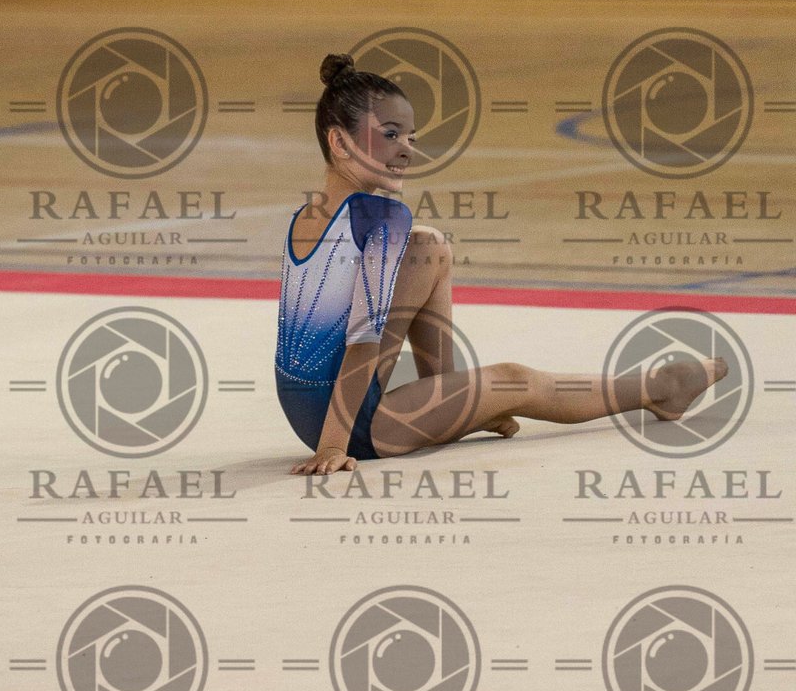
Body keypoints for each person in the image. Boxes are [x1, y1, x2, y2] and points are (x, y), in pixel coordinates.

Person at [276, 52, 729, 475]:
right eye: (390, 135)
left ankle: (453, 405)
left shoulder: (305, 215)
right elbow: (362, 341)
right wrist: (333, 446)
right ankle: (661, 389)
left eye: (411, 137)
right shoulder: (382, 217)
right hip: (356, 427)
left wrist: (450, 406)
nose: (407, 149)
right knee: (516, 380)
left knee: (429, 246)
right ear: (339, 141)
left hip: (305, 411)